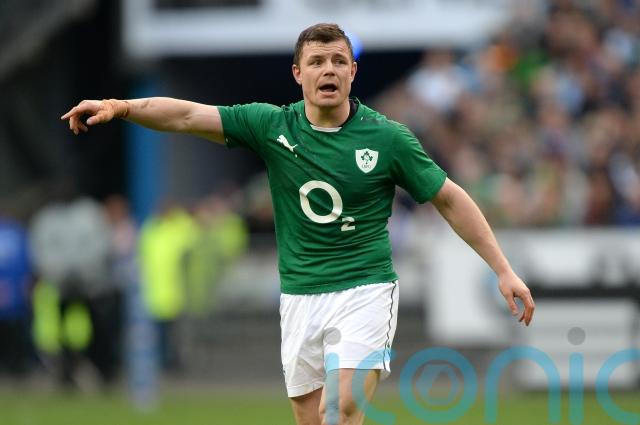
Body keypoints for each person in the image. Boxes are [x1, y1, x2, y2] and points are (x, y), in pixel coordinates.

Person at [62, 23, 535, 425]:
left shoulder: (387, 139)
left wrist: (502, 269)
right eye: (317, 62)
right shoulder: (271, 126)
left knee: (341, 409)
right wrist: (121, 106)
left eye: (338, 61)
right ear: (298, 73)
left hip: (365, 289)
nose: (328, 70)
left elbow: (449, 198)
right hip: (300, 297)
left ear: (353, 71)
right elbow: (186, 115)